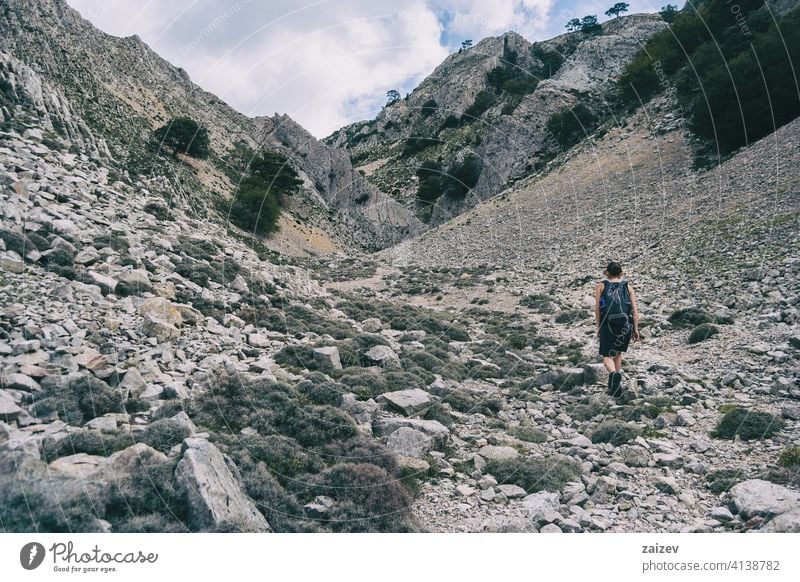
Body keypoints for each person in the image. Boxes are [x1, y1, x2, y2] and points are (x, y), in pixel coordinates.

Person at [594, 260, 639, 396]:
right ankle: (615, 386)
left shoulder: (601, 286)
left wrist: (598, 326)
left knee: (606, 355)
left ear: (607, 272)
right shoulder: (628, 287)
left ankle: (613, 374)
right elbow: (635, 310)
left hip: (608, 323)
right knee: (618, 352)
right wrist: (636, 329)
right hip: (625, 324)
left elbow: (597, 308)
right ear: (620, 272)